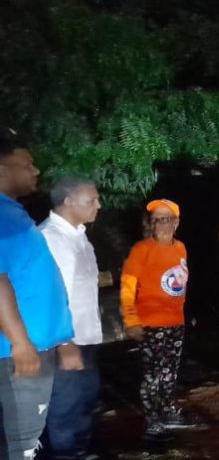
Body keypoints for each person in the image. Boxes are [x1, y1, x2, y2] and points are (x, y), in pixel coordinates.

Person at [0, 132, 79, 460]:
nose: (36, 171)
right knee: (21, 444)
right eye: (27, 164)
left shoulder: (11, 212)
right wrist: (20, 342)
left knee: (23, 439)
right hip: (16, 353)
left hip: (30, 346)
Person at [39, 177, 102, 460]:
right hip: (65, 339)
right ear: (68, 202)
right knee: (66, 404)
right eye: (91, 200)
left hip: (83, 336)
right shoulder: (53, 238)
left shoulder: (77, 235)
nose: (98, 205)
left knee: (84, 399)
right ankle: (66, 453)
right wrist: (65, 343)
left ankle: (79, 449)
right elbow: (52, 295)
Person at [121, 199, 193, 440]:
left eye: (166, 218)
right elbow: (128, 287)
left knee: (170, 371)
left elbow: (178, 284)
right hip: (150, 323)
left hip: (175, 321)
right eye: (156, 220)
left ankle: (168, 411)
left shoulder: (181, 248)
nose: (161, 224)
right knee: (153, 374)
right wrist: (131, 320)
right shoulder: (141, 250)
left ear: (176, 222)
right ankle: (151, 421)